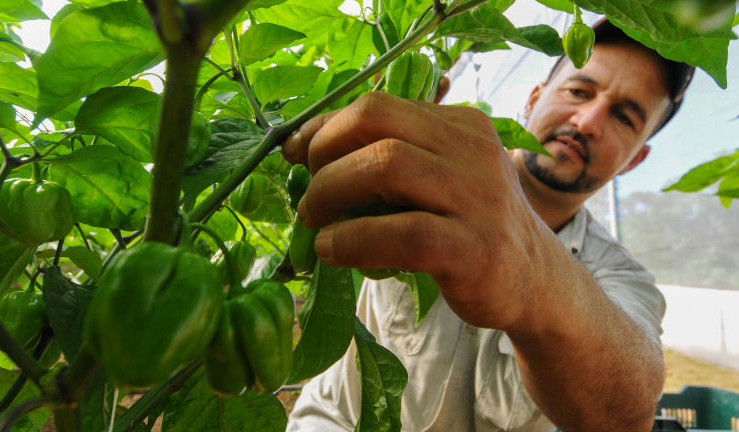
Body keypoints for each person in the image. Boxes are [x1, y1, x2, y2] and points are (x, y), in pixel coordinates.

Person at [281, 18, 694, 432]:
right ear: (533, 100)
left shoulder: (620, 273)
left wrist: (536, 273)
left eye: (623, 117)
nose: (587, 121)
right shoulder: (420, 167)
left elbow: (628, 414)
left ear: (635, 159)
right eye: (578, 91)